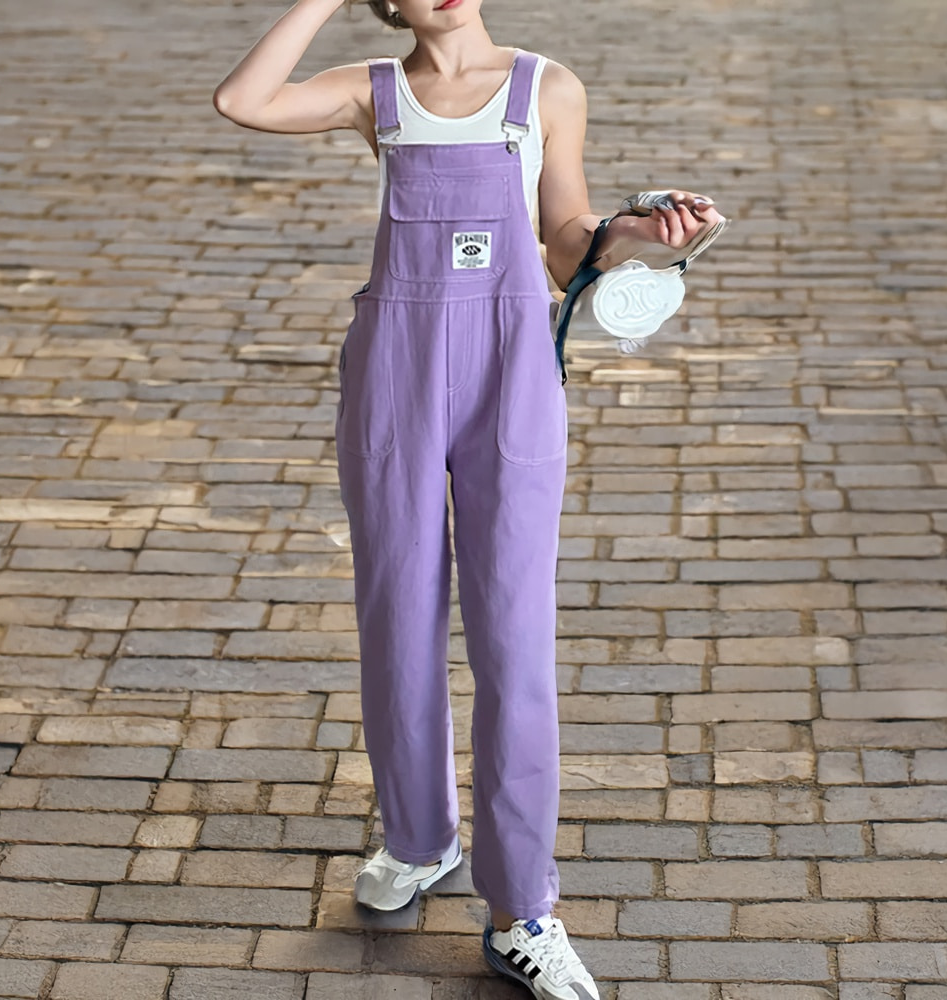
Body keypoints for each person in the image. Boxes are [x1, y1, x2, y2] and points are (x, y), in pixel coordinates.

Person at [214, 3, 721, 997]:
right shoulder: (374, 94)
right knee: (397, 619)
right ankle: (418, 838)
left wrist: (633, 234)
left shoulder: (546, 88)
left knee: (513, 639)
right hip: (394, 379)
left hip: (512, 374)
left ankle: (522, 908)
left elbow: (564, 244)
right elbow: (244, 99)